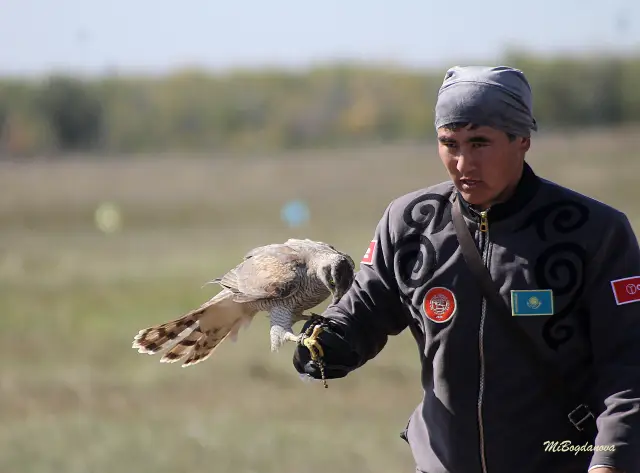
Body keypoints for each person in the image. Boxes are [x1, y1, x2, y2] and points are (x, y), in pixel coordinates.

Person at [292, 65, 640, 473]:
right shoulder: (410, 222)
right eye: (449, 143)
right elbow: (366, 307)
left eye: (479, 143)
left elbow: (629, 362)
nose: (462, 162)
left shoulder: (594, 231)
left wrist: (610, 460)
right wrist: (330, 340)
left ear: (522, 139)